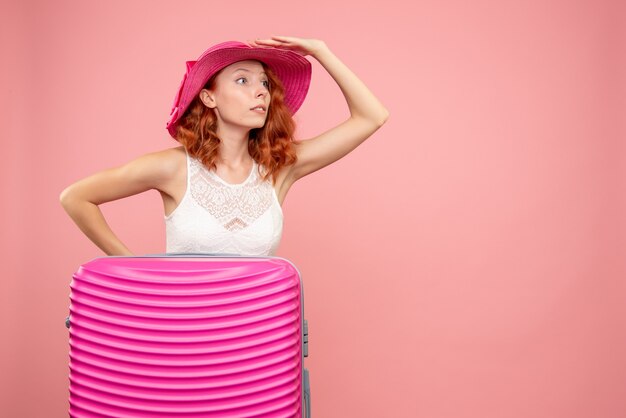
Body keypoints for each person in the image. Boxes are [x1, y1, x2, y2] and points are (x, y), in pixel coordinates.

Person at [59, 36, 389, 256]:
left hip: (258, 339)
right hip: (186, 336)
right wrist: (133, 267)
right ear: (209, 96)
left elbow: (371, 116)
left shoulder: (280, 168)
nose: (260, 92)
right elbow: (76, 197)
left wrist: (321, 51)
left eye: (263, 83)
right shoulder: (173, 167)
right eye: (243, 80)